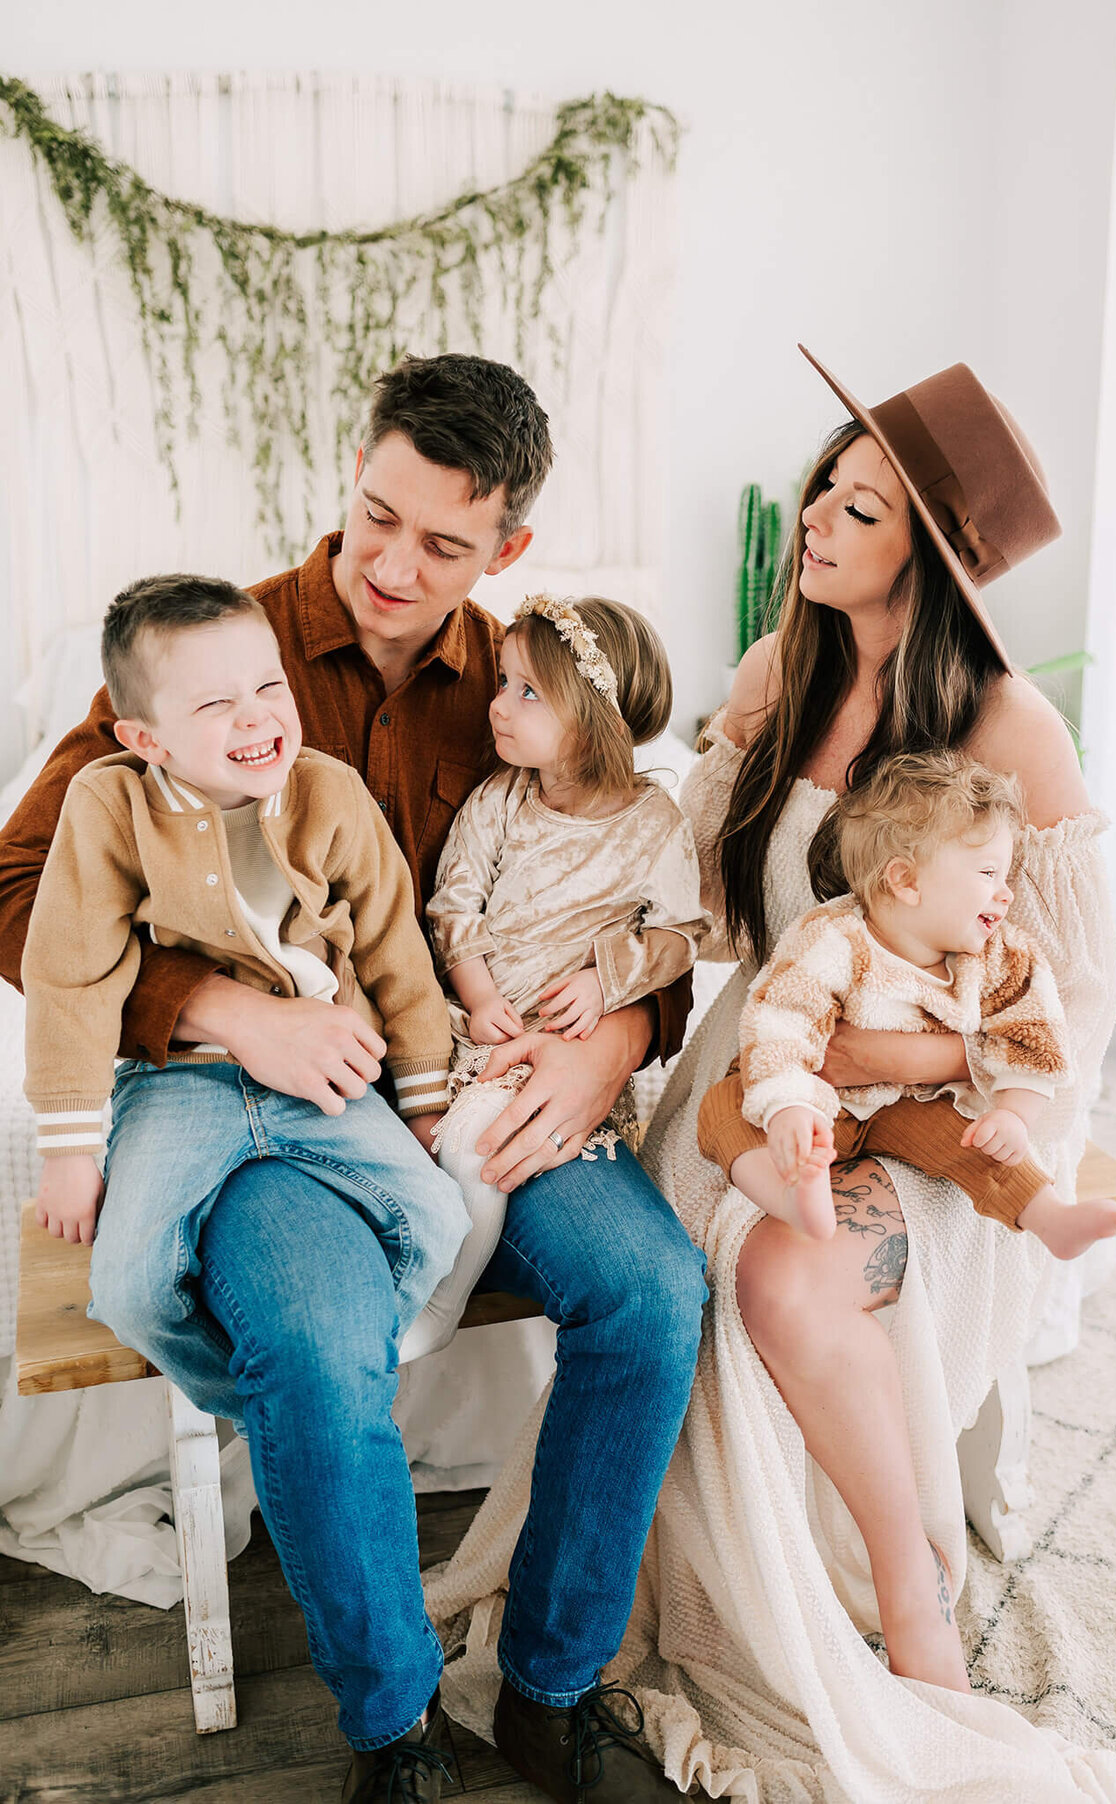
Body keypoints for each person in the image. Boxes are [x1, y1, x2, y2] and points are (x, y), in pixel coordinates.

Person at [424, 348, 1116, 1802]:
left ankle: (912, 1591)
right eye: (822, 494)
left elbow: (1072, 993)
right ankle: (643, 1593)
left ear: (939, 564)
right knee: (694, 1242)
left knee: (779, 1267)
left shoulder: (1009, 727)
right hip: (764, 1057)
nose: (818, 526)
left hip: (949, 1092)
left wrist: (936, 1082)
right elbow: (699, 898)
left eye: (863, 512)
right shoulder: (787, 674)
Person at [0, 354, 707, 1804]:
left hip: (493, 1093)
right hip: (277, 1118)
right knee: (316, 1346)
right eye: (375, 515)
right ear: (356, 474)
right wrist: (211, 1011)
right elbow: (24, 881)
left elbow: (638, 889)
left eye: (444, 544)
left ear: (506, 549)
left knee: (656, 1294)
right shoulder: (215, 650)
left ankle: (553, 1688)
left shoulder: (534, 682)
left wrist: (613, 1043)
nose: (391, 564)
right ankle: (394, 1726)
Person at [24, 573, 470, 1379]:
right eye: (214, 705)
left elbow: (393, 946)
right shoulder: (108, 805)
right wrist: (70, 1151)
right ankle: (242, 1392)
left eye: (269, 685)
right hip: (180, 1081)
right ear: (146, 739)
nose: (258, 714)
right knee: (128, 1290)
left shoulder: (328, 791)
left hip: (331, 1074)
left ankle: (369, 1357)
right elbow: (71, 974)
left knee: (440, 1221)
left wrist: (424, 1097)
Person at [401, 592, 707, 1362]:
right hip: (474, 1026)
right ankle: (427, 1271)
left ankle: (441, 1300)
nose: (499, 706)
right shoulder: (502, 798)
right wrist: (478, 999)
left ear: (595, 721)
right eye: (503, 682)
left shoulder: (653, 823)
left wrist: (608, 984)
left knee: (479, 1145)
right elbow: (453, 904)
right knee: (454, 1138)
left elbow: (680, 934)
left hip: (557, 1046)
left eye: (527, 692)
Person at [697, 749, 1116, 1261]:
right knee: (722, 1108)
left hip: (916, 1102)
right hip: (822, 1098)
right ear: (905, 881)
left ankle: (1050, 1217)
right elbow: (781, 1021)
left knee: (973, 1138)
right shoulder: (834, 939)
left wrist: (1014, 1114)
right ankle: (792, 1190)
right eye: (988, 873)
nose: (1006, 893)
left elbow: (1034, 1037)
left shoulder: (1002, 957)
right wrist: (790, 1107)